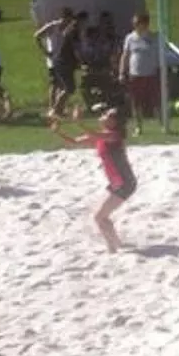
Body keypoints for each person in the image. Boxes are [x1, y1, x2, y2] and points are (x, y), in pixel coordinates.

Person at [49, 104, 135, 253]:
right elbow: (73, 142)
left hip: (124, 182)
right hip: (117, 182)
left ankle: (112, 249)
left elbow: (95, 135)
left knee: (99, 217)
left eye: (107, 115)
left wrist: (78, 122)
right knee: (101, 216)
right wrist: (58, 132)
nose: (102, 116)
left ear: (114, 122)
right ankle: (117, 244)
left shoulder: (114, 135)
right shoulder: (102, 135)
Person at [34, 8, 82, 119]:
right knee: (55, 84)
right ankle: (53, 109)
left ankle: (59, 109)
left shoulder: (70, 28)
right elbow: (37, 36)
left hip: (63, 57)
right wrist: (45, 52)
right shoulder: (54, 25)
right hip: (54, 58)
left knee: (63, 85)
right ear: (65, 17)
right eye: (69, 18)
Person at [118, 13, 161, 136]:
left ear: (145, 24)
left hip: (151, 74)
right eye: (134, 23)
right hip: (135, 75)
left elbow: (160, 53)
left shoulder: (154, 37)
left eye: (138, 23)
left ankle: (162, 124)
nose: (135, 25)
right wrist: (121, 72)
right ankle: (138, 127)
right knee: (136, 103)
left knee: (156, 101)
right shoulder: (130, 38)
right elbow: (125, 55)